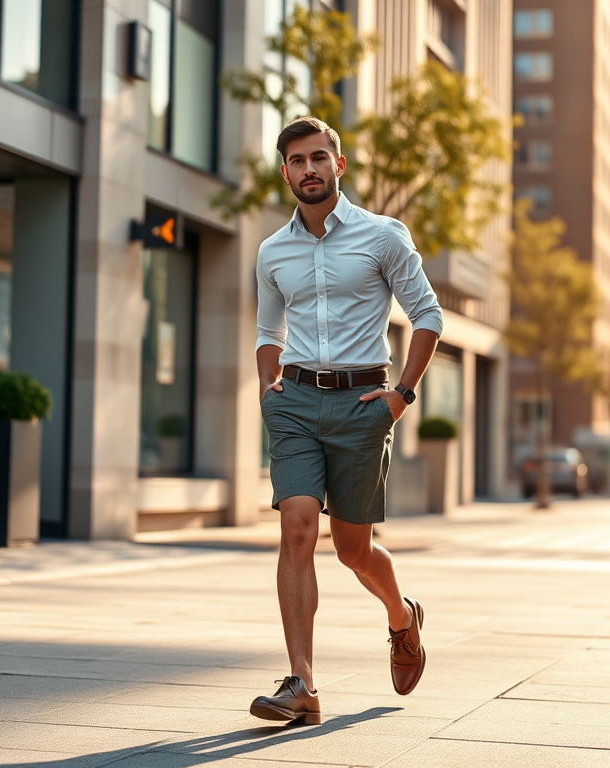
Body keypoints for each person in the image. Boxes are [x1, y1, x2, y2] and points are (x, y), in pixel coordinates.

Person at [250, 116, 443, 725]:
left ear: (338, 165)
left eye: (318, 158)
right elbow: (267, 331)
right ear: (284, 172)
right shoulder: (271, 250)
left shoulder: (383, 236)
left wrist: (401, 395)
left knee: (353, 552)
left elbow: (428, 315)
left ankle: (401, 616)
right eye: (297, 161)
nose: (308, 169)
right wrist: (267, 389)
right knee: (297, 529)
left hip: (364, 407)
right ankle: (301, 685)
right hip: (297, 405)